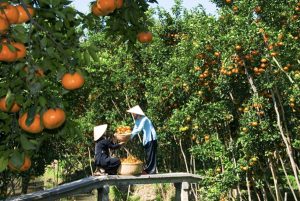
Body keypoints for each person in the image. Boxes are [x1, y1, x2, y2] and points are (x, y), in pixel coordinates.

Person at [127, 105, 158, 174]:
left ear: (137, 113)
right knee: (147, 155)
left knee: (151, 155)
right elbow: (135, 129)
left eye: (133, 113)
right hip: (147, 139)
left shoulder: (144, 119)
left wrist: (129, 136)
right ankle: (148, 170)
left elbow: (139, 129)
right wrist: (129, 137)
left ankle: (151, 171)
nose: (132, 115)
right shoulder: (138, 120)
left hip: (151, 138)